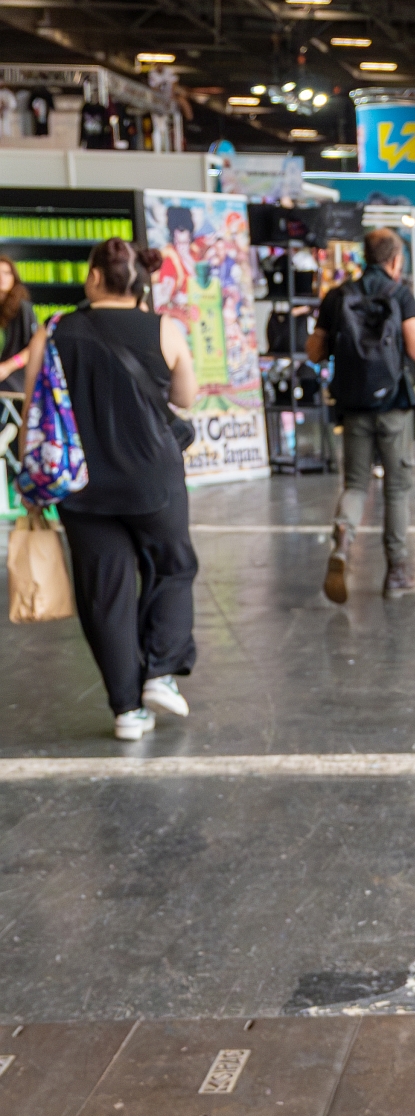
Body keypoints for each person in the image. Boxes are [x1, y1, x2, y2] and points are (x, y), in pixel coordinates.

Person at [21, 237, 198, 741]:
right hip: (153, 480)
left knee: (105, 593)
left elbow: (36, 411)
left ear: (95, 277)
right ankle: (160, 673)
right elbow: (185, 396)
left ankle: (126, 709)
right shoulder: (165, 328)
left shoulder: (54, 332)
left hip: (82, 484)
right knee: (174, 565)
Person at [308, 228, 415, 603]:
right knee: (396, 488)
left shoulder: (338, 296)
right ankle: (397, 571)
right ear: (394, 260)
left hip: (354, 404)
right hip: (393, 405)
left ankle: (343, 540)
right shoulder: (400, 294)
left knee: (357, 484)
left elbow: (314, 351)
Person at [0, 255, 38, 389]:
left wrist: (8, 367)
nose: (1, 278)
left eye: (6, 273)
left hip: (14, 379)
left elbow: (34, 347)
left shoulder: (22, 308)